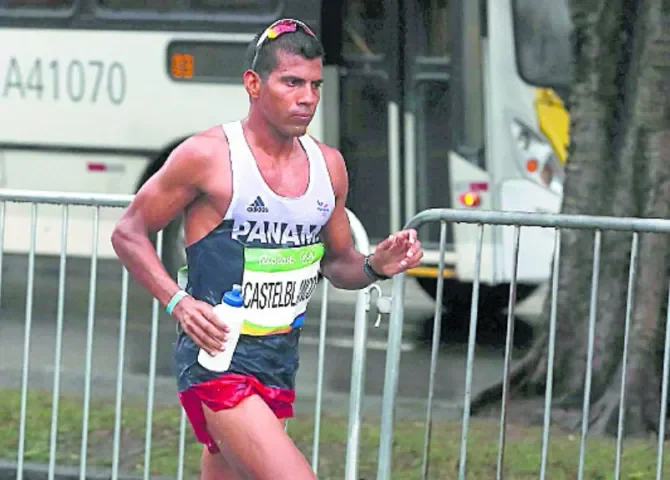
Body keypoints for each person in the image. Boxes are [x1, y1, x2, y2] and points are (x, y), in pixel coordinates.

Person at [111, 18, 423, 480]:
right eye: (292, 82)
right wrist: (178, 302)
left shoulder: (329, 165)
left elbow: (338, 263)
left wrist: (376, 264)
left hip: (278, 363)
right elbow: (128, 232)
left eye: (315, 85)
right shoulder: (208, 155)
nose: (307, 98)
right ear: (254, 84)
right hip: (218, 364)